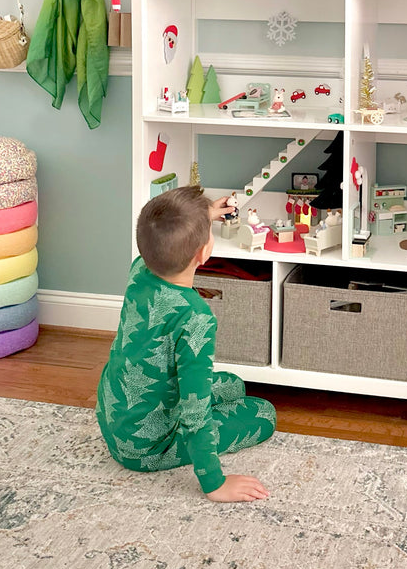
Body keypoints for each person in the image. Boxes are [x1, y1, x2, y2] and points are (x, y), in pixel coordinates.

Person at [95, 185, 276, 503]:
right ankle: (207, 474)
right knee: (263, 413)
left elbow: (166, 233)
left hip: (115, 419)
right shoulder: (196, 317)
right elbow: (195, 411)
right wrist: (215, 483)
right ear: (203, 253)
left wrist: (205, 215)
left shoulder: (140, 268)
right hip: (145, 448)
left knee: (234, 385)